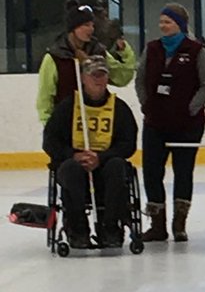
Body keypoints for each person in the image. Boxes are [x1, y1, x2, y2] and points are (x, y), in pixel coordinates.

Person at [42, 53, 138, 249]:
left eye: (102, 75)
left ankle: (111, 227)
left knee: (117, 166)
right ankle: (77, 229)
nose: (99, 80)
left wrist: (101, 157)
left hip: (105, 165)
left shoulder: (119, 109)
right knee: (70, 169)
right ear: (83, 78)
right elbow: (50, 141)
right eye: (94, 75)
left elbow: (128, 144)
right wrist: (74, 155)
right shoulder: (67, 107)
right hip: (75, 164)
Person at [136, 2, 205, 243]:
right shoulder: (151, 49)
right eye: (161, 22)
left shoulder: (196, 51)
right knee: (151, 171)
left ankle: (179, 224)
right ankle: (157, 224)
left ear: (179, 25)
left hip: (187, 125)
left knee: (183, 172)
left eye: (167, 22)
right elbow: (139, 79)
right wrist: (146, 103)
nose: (163, 26)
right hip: (155, 122)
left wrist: (192, 108)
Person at [36, 0, 136, 124]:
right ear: (73, 29)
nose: (91, 29)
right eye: (86, 25)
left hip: (97, 124)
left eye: (92, 25)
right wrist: (51, 128)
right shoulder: (55, 58)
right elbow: (45, 100)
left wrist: (125, 52)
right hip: (66, 125)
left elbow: (122, 78)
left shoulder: (98, 52)